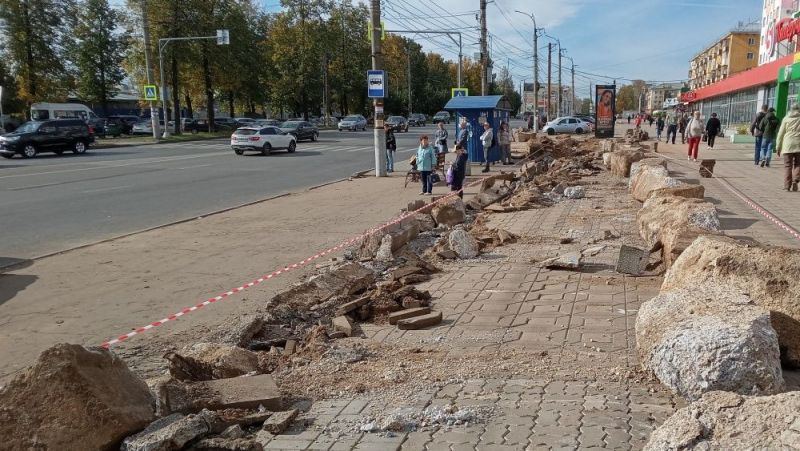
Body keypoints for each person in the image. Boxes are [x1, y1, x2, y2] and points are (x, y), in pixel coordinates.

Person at [776, 104, 800, 191]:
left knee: (787, 166)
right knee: (798, 164)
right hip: (798, 144)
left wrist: (778, 147)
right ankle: (795, 180)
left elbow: (780, 134)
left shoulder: (786, 119)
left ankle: (787, 186)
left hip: (787, 145)